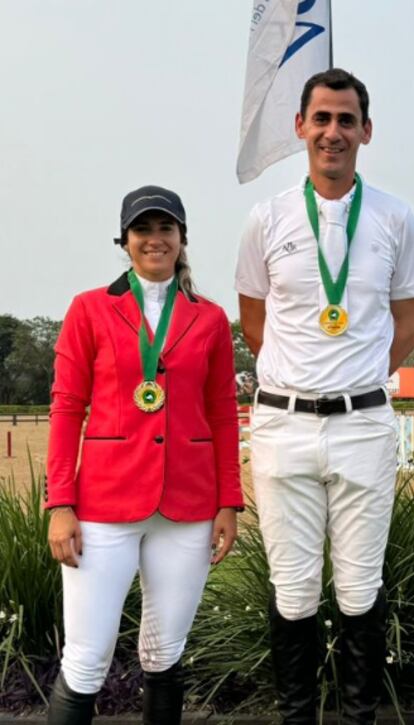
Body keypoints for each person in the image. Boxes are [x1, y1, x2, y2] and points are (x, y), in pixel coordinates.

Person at [236, 68, 414, 723]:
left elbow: (411, 316)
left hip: (363, 424)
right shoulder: (267, 217)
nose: (333, 132)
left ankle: (358, 716)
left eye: (346, 120)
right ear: (300, 128)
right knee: (292, 592)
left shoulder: (396, 216)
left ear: (366, 131)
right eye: (321, 119)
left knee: (357, 588)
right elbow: (255, 318)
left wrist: (362, 369)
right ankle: (296, 715)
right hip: (284, 425)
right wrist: (302, 374)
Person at [45, 185, 243, 724]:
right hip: (104, 506)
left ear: (182, 239)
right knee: (86, 660)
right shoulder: (89, 309)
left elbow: (224, 413)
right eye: (143, 230)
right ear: (125, 241)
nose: (155, 240)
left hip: (188, 507)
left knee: (165, 655)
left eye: (165, 229)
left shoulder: (210, 318)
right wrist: (59, 503)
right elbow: (66, 409)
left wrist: (230, 501)